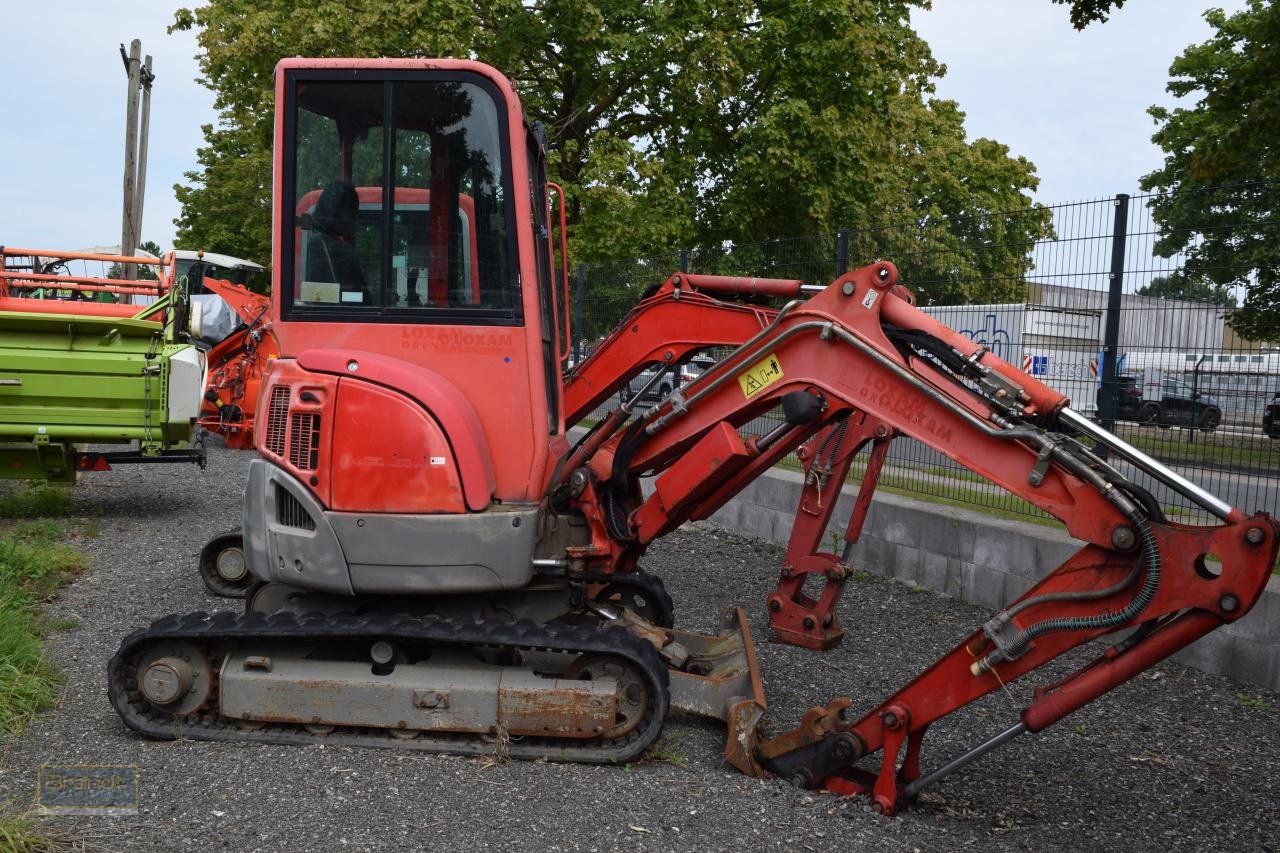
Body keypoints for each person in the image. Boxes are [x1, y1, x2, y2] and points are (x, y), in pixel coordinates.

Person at [306, 180, 371, 304]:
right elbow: (358, 299)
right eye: (351, 211)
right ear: (336, 212)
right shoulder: (340, 249)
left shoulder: (313, 242)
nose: (354, 218)